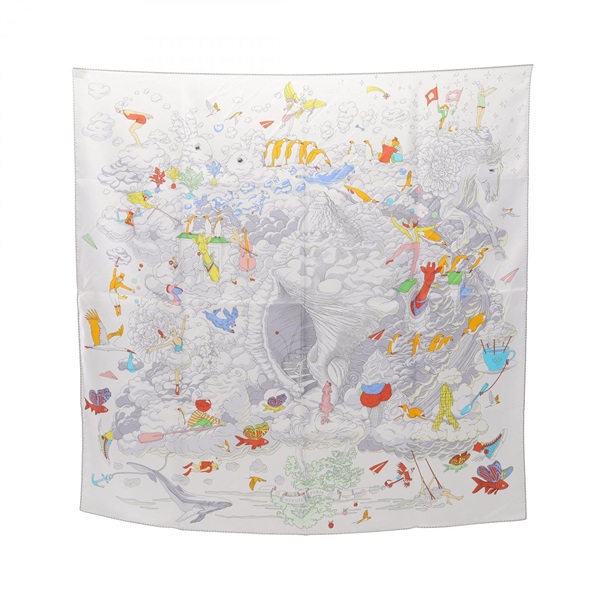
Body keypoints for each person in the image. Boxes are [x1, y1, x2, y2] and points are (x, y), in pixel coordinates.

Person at [386, 213, 439, 291]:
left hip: (417, 245)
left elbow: (425, 229)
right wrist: (391, 217)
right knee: (402, 247)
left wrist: (434, 226)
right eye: (409, 222)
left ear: (413, 223)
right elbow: (397, 226)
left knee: (414, 261)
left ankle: (411, 277)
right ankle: (391, 258)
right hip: (413, 244)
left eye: (411, 222)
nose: (410, 224)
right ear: (408, 223)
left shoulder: (416, 229)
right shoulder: (406, 230)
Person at [147, 315, 189, 395]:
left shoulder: (180, 338)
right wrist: (152, 348)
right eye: (171, 332)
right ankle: (177, 386)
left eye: (173, 331)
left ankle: (185, 382)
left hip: (183, 355)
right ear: (171, 334)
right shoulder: (171, 342)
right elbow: (162, 346)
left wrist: (184, 319)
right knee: (177, 371)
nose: (173, 332)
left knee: (185, 366)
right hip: (176, 356)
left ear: (176, 332)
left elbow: (183, 329)